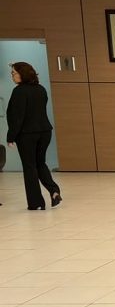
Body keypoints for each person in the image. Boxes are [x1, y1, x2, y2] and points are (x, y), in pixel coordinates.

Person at [6, 62, 61, 211]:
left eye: (14, 73)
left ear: (22, 74)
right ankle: (54, 191)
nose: (12, 76)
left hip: (27, 135)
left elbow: (18, 117)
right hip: (44, 132)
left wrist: (11, 136)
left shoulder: (19, 91)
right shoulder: (41, 89)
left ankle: (36, 202)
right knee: (40, 163)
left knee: (29, 167)